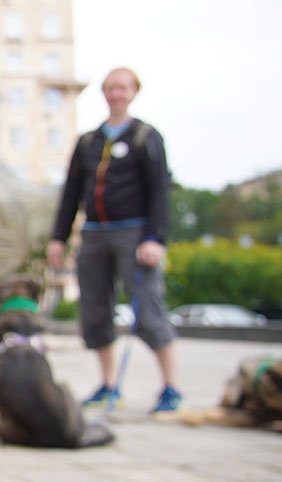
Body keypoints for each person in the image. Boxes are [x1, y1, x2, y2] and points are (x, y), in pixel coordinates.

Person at [46, 67, 182, 414]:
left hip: (134, 233)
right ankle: (109, 386)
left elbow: (160, 190)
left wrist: (155, 237)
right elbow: (71, 192)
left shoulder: (146, 136)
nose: (115, 93)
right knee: (94, 313)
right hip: (93, 233)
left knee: (148, 310)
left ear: (134, 91)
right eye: (109, 87)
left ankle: (171, 387)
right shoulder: (89, 141)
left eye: (122, 87)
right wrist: (59, 237)